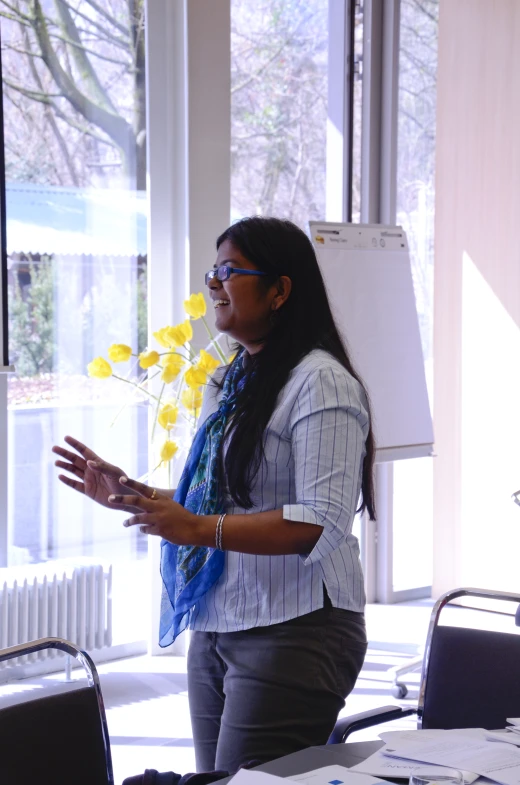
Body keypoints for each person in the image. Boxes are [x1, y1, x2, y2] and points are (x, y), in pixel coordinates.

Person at [53, 216, 376, 775]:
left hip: (297, 627)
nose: (214, 285)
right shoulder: (230, 380)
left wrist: (198, 529)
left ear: (280, 290)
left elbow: (320, 522)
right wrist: (132, 494)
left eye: (230, 272)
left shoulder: (320, 381)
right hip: (220, 621)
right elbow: (215, 502)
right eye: (213, 271)